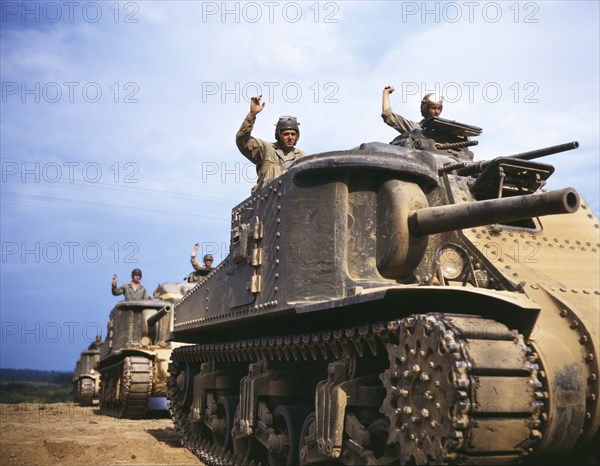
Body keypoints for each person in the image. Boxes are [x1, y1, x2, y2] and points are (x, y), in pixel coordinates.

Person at [236, 95, 306, 192]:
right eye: (286, 134)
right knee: (274, 168)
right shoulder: (266, 148)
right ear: (279, 135)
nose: (290, 137)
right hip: (267, 199)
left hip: (292, 199)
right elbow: (242, 140)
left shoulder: (301, 156)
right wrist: (252, 115)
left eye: (293, 134)